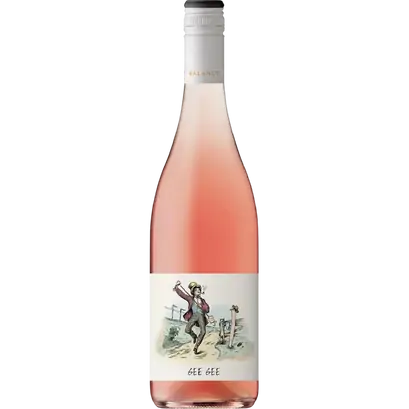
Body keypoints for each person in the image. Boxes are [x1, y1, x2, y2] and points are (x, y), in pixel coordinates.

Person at [173, 280, 210, 354]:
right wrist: (177, 287)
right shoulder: (190, 299)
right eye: (196, 290)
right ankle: (194, 336)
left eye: (199, 290)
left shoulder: (202, 300)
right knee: (187, 330)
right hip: (194, 316)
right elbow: (182, 295)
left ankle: (196, 347)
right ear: (193, 292)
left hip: (201, 317)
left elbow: (207, 309)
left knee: (203, 332)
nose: (198, 291)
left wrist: (203, 307)